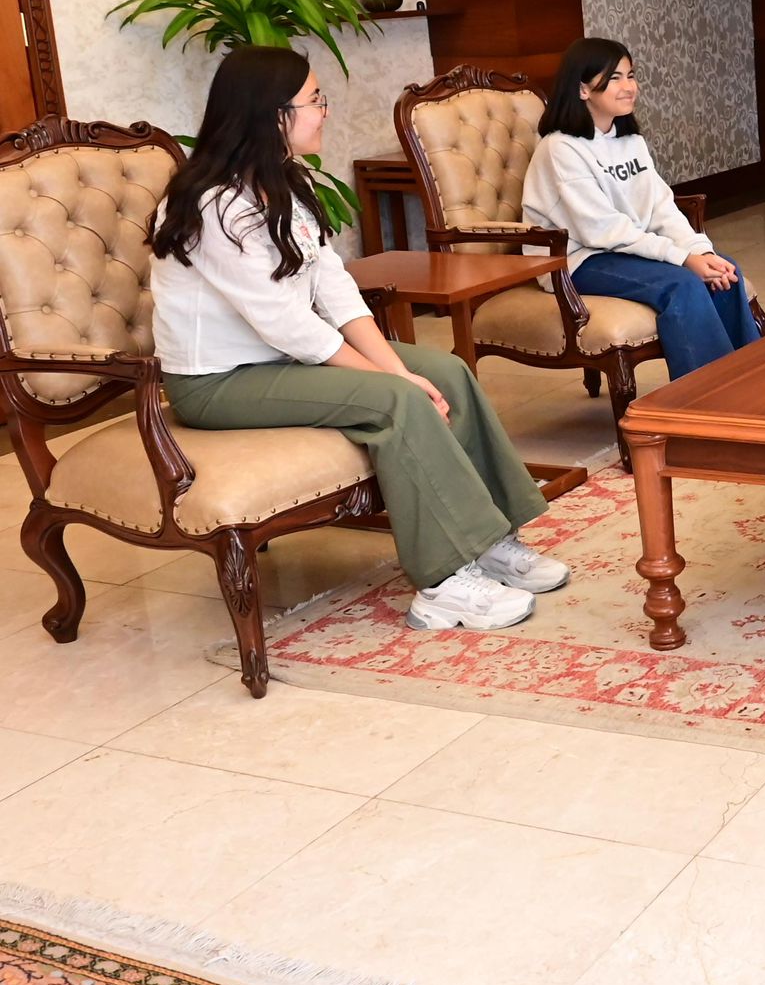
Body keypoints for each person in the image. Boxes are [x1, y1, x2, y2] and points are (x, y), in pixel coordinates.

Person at [151, 47, 564, 633]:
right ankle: (443, 584)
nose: (324, 111)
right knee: (398, 399)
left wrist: (397, 364)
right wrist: (393, 378)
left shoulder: (286, 181)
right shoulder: (214, 205)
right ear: (271, 114)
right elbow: (285, 324)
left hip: (280, 360)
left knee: (445, 373)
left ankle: (489, 539)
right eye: (314, 100)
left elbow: (334, 288)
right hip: (218, 382)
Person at [523, 38, 760, 381]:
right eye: (615, 78)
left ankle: (750, 383)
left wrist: (699, 251)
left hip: (622, 250)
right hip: (575, 260)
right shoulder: (560, 149)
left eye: (631, 75)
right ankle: (705, 398)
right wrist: (682, 259)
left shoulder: (630, 141)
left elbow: (661, 208)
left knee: (725, 271)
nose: (629, 87)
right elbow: (602, 230)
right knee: (682, 284)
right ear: (583, 89)